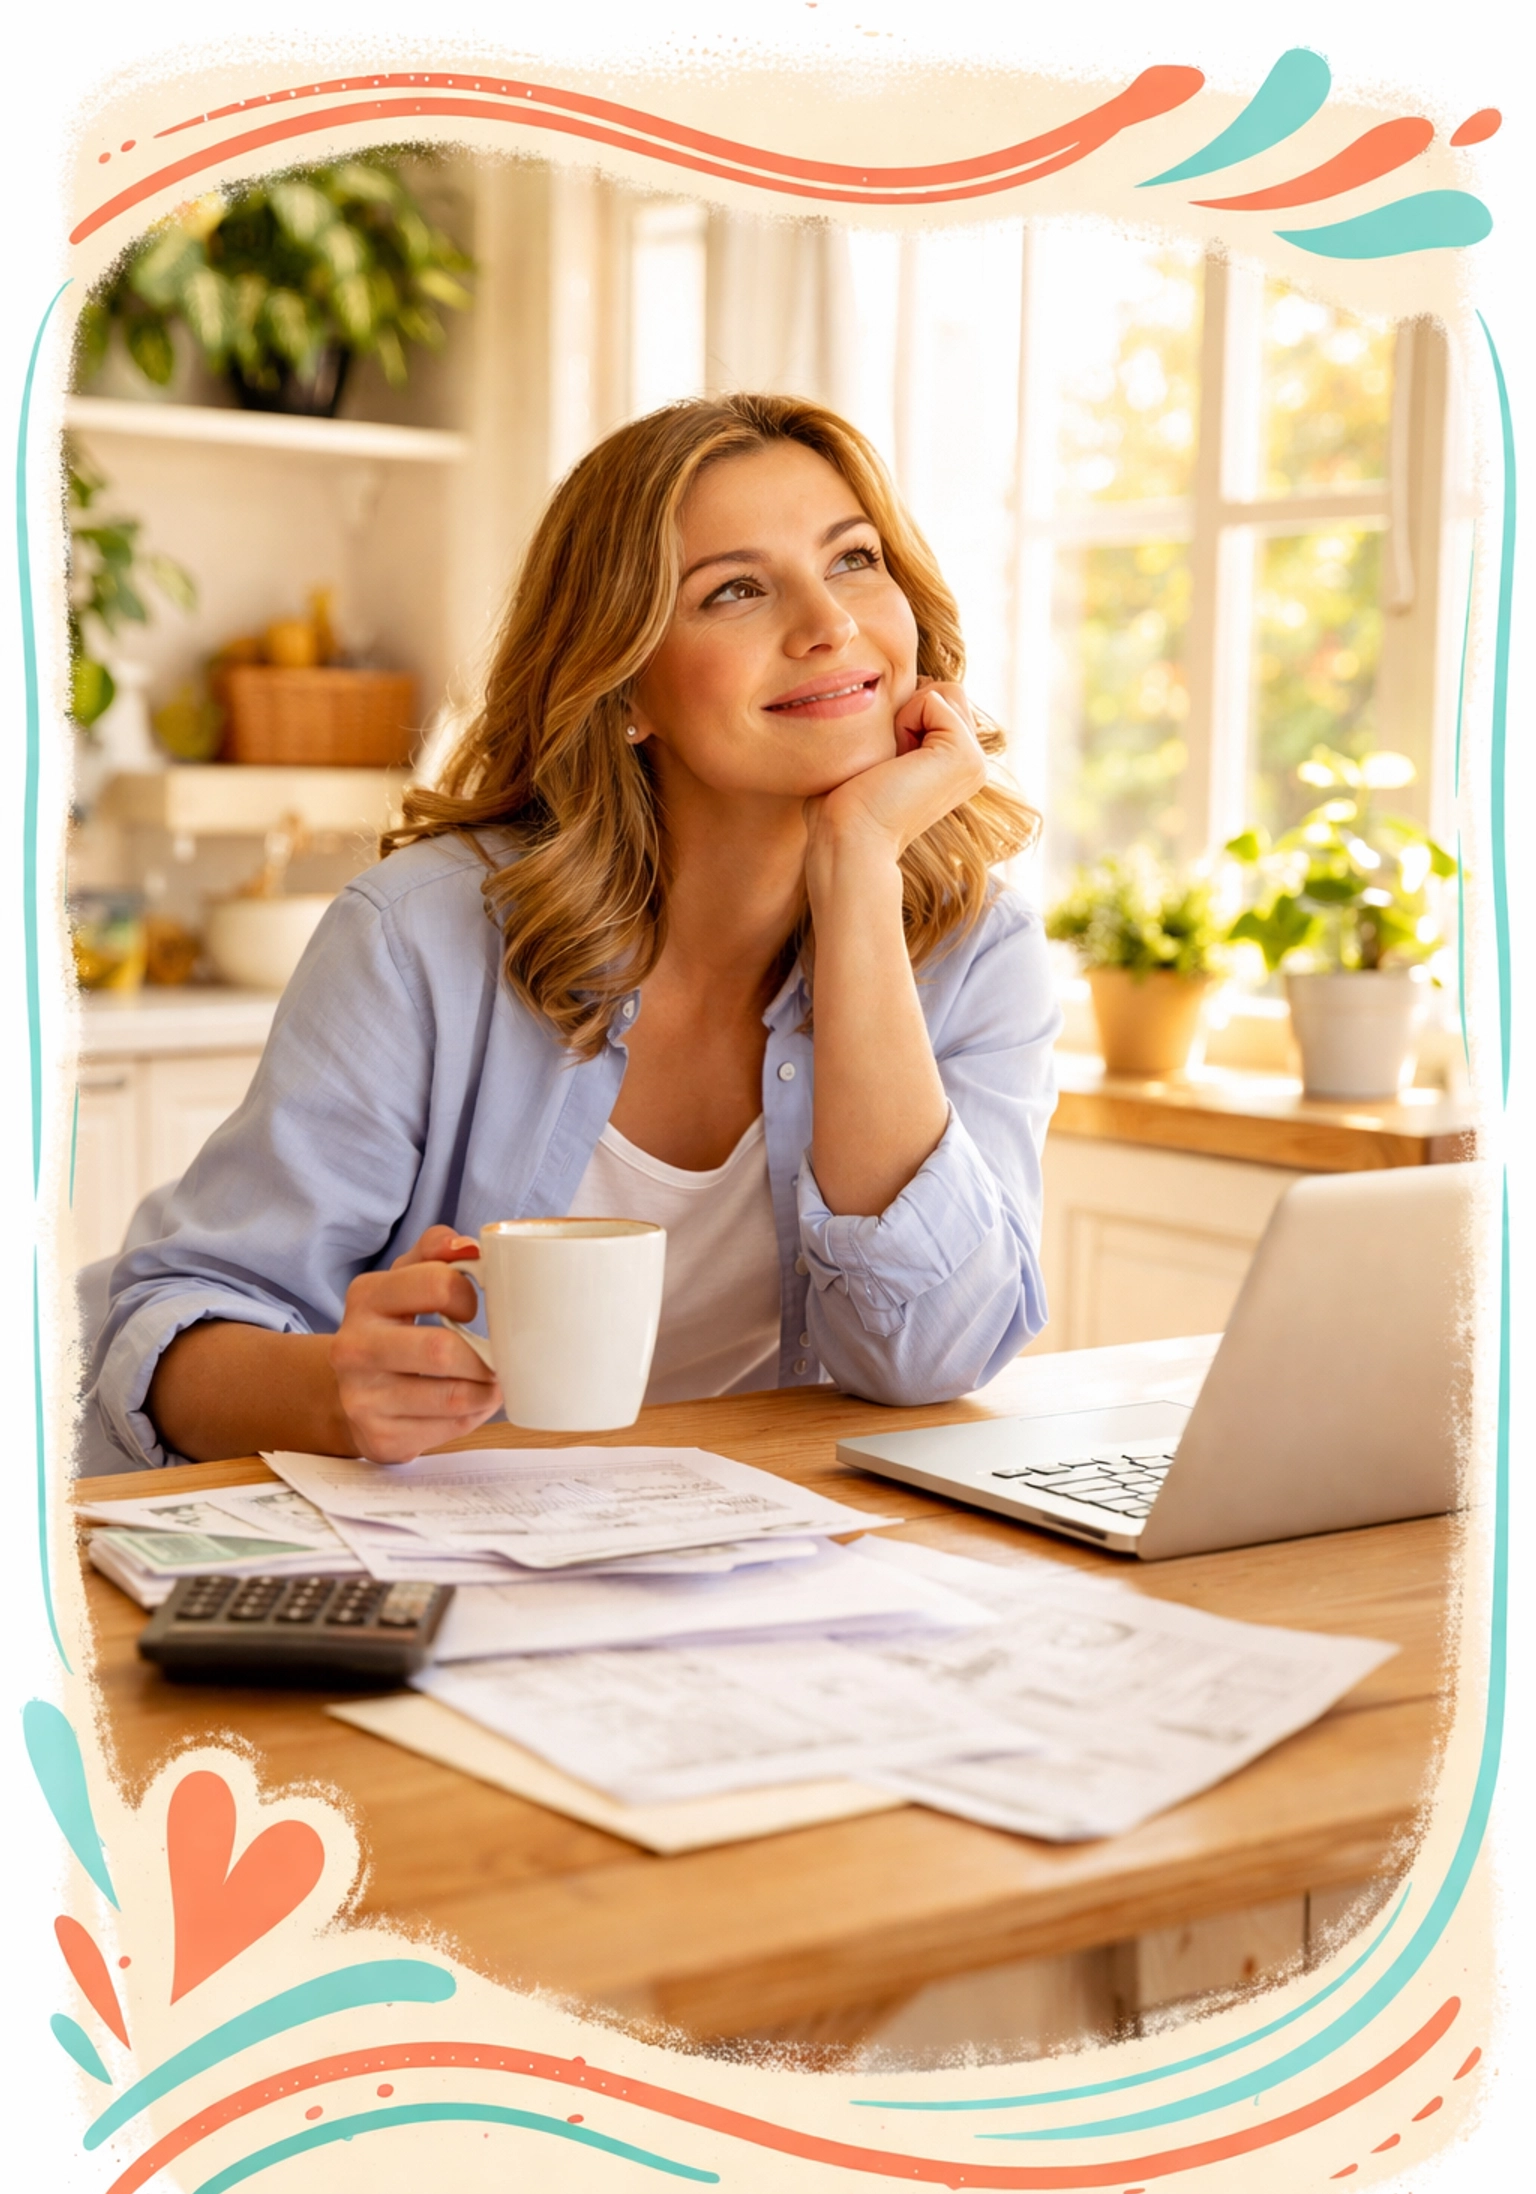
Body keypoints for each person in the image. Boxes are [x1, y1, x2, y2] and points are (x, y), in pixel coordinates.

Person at [83, 393, 1060, 1473]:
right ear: (625, 685)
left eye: (854, 559)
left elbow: (932, 1358)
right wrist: (334, 1396)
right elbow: (170, 1332)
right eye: (735, 589)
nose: (828, 624)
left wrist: (859, 867)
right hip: (437, 1539)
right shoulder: (421, 937)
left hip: (756, 1546)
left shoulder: (977, 954)